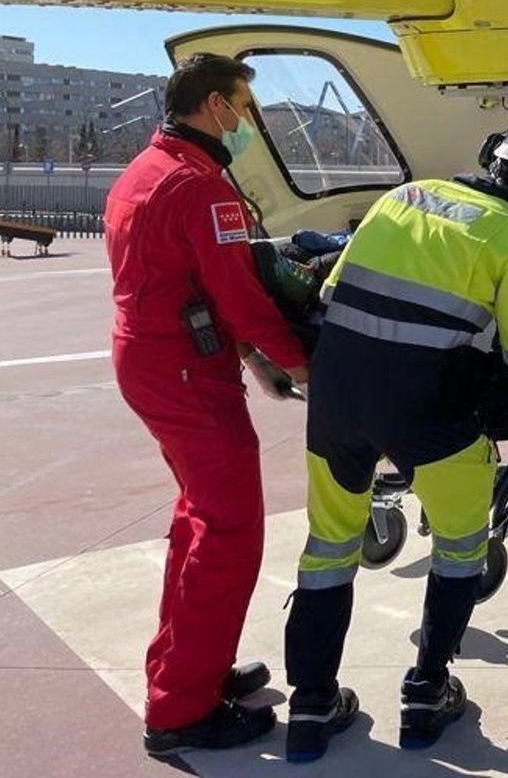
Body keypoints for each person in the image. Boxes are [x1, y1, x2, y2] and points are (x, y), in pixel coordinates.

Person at [281, 119, 508, 762]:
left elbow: (335, 294)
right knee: (459, 550)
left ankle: (310, 707)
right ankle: (427, 693)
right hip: (431, 410)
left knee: (328, 547)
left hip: (336, 398)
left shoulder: (403, 197)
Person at [104, 52, 311, 757]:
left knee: (197, 521)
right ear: (216, 105)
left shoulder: (142, 172)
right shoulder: (202, 189)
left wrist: (249, 358)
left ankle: (192, 666)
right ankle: (179, 711)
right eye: (245, 108)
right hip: (188, 374)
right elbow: (239, 297)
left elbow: (183, 282)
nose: (248, 121)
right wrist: (296, 360)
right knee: (228, 533)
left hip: (153, 361)